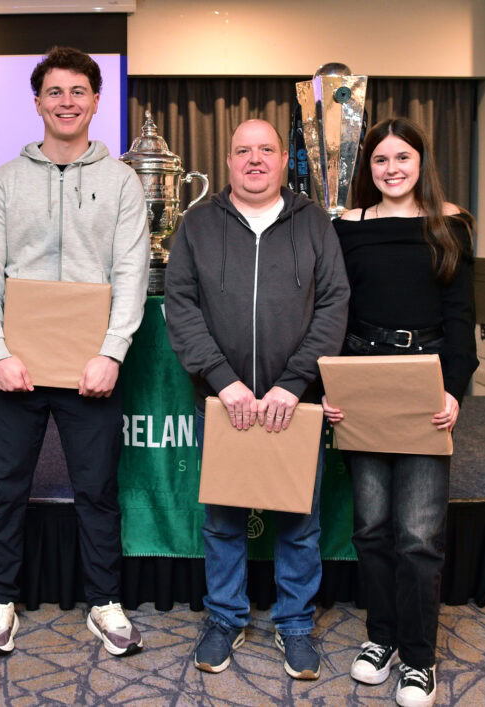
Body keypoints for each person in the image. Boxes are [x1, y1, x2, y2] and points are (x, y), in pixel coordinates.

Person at [0, 46, 150, 656]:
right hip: (14, 366)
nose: (66, 102)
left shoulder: (122, 181)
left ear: (97, 101)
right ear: (38, 102)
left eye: (78, 91)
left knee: (97, 489)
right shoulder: (4, 181)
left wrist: (112, 353)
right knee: (3, 489)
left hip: (90, 368)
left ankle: (105, 602)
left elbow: (131, 273)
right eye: (55, 92)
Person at [164, 118, 350, 678]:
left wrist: (293, 385)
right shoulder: (196, 224)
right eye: (242, 150)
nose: (254, 160)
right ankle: (224, 617)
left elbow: (333, 306)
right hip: (225, 404)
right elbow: (182, 305)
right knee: (223, 519)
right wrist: (223, 381)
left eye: (265, 149)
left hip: (293, 404)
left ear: (281, 159)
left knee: (299, 522)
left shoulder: (315, 223)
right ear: (227, 161)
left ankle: (295, 625)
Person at [322, 117, 477, 707]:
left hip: (425, 379)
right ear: (369, 169)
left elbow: (462, 313)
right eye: (380, 160)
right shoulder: (346, 228)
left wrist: (454, 391)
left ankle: (418, 658)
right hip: (361, 377)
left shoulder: (450, 223)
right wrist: (329, 388)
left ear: (421, 163)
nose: (391, 169)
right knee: (371, 528)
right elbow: (334, 313)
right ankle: (379, 640)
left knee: (417, 535)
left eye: (402, 158)